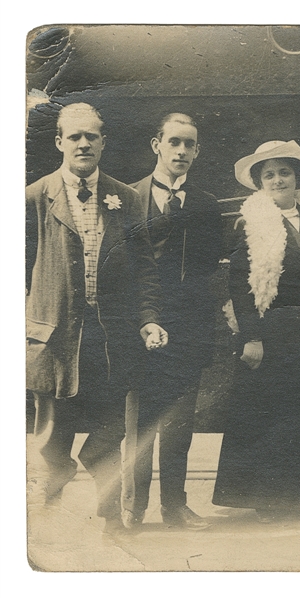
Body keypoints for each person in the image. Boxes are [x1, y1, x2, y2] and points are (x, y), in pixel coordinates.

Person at [26, 103, 167, 536]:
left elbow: (144, 269)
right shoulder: (33, 198)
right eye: (74, 137)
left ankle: (111, 522)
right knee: (53, 438)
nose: (83, 144)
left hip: (109, 338)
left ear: (103, 142)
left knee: (109, 433)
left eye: (92, 136)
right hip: (55, 339)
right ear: (59, 143)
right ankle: (45, 521)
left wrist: (147, 319)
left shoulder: (125, 197)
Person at [212, 140, 300, 522]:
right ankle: (269, 497)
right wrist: (251, 336)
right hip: (272, 333)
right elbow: (239, 284)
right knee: (273, 415)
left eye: (284, 172)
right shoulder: (250, 223)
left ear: (297, 177)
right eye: (268, 174)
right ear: (259, 182)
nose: (277, 180)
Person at [122, 113, 222, 531]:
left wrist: (204, 330)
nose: (181, 152)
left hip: (188, 331)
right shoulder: (128, 198)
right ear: (156, 145)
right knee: (140, 423)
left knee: (180, 425)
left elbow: (212, 273)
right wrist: (142, 320)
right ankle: (133, 507)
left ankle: (175, 506)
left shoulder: (206, 204)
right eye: (174, 142)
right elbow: (123, 270)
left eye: (189, 145)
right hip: (139, 328)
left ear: (197, 151)